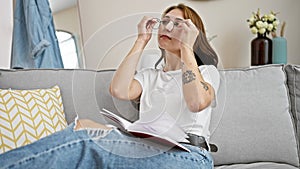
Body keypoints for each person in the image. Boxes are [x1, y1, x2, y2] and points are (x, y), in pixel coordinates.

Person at [0, 3, 219, 169]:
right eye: (164, 21)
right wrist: (141, 39)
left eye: (177, 24)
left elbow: (196, 101)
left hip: (190, 156)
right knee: (82, 126)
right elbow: (119, 90)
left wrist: (188, 48)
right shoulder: (150, 76)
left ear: (191, 32)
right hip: (149, 148)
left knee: (88, 141)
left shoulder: (207, 72)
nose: (167, 27)